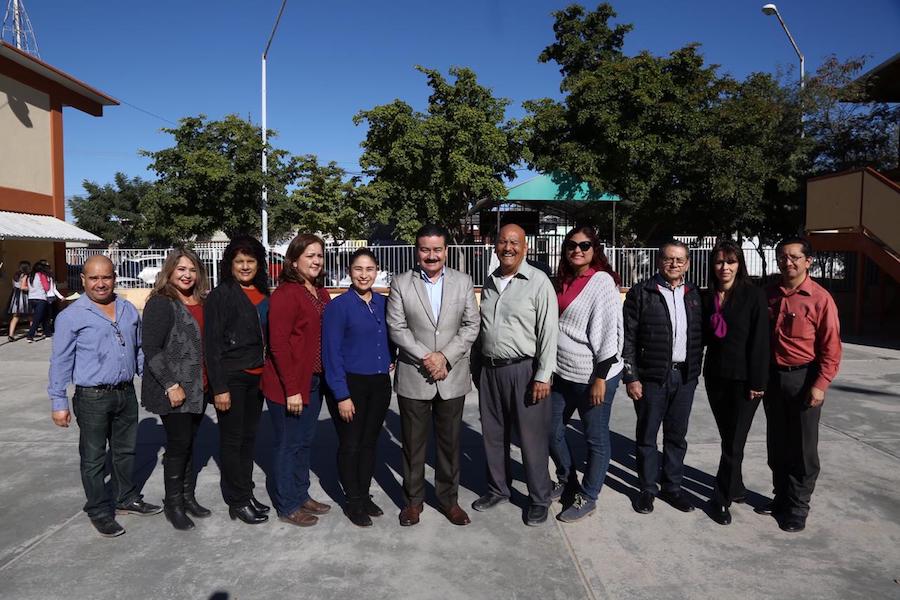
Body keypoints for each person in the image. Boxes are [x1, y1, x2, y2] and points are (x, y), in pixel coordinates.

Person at [48, 255, 161, 537]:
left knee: (125, 451)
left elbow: (138, 350)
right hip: (92, 398)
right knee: (94, 457)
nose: (101, 283)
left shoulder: (127, 309)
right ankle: (99, 510)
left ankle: (125, 498)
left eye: (106, 277)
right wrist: (59, 402)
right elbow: (60, 361)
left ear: (114, 278)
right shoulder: (71, 316)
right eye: (94, 278)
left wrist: (149, 382)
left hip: (125, 393)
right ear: (83, 280)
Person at [386, 224, 480, 527]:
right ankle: (413, 502)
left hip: (451, 376)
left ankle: (449, 501)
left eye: (437, 249)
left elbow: (471, 325)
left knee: (450, 445)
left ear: (446, 251)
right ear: (417, 251)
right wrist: (428, 357)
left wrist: (445, 357)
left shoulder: (463, 282)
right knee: (413, 446)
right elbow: (396, 327)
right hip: (415, 375)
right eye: (425, 249)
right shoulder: (401, 283)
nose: (431, 255)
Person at [473, 223, 558, 526]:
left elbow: (549, 331)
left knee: (532, 439)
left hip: (525, 370)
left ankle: (539, 498)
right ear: (495, 246)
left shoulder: (538, 282)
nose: (507, 248)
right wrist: (477, 369)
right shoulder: (491, 282)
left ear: (525, 247)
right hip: (490, 370)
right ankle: (498, 489)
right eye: (502, 242)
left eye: (514, 242)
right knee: (493, 434)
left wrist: (543, 375)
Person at [758, 235, 841, 533]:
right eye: (783, 256)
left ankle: (798, 507)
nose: (788, 262)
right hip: (773, 378)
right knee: (777, 443)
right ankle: (781, 497)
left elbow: (831, 347)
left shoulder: (820, 298)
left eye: (794, 257)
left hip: (804, 378)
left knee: (803, 448)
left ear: (808, 261)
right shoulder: (769, 294)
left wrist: (821, 384)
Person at [548, 226, 624, 523]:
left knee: (595, 438)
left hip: (594, 375)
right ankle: (567, 479)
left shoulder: (601, 281)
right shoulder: (563, 280)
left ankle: (588, 495)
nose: (577, 250)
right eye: (571, 245)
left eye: (584, 245)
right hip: (563, 372)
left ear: (595, 249)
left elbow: (609, 333)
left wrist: (600, 378)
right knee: (551, 429)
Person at [623, 240, 703, 515]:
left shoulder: (694, 295)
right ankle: (647, 489)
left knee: (676, 436)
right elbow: (628, 338)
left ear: (687, 264)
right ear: (659, 261)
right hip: (651, 378)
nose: (674, 264)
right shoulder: (642, 292)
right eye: (668, 258)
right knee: (647, 436)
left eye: (679, 260)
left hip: (685, 377)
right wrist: (631, 377)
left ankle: (673, 487)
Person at [260, 233, 332, 528]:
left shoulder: (320, 292)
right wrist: (292, 390)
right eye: (309, 255)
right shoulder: (286, 294)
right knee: (288, 444)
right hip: (288, 385)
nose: (316, 260)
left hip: (314, 381)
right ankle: (287, 503)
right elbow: (278, 345)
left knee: (304, 442)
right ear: (293, 261)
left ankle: (301, 494)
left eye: (319, 255)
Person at [141, 248, 212, 531]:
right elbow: (151, 348)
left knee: (190, 443)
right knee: (178, 445)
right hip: (175, 389)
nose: (187, 275)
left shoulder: (201, 301)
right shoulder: (161, 303)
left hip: (199, 387)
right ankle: (174, 504)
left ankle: (187, 496)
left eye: (192, 270)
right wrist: (171, 385)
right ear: (170, 270)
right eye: (181, 269)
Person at [323, 248, 393, 527]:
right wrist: (342, 395)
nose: (364, 275)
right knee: (351, 444)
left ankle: (364, 495)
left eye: (369, 269)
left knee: (369, 443)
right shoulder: (338, 307)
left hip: (379, 383)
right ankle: (352, 501)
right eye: (358, 269)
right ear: (349, 272)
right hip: (351, 383)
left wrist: (392, 357)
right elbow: (331, 354)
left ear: (377, 271)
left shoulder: (384, 303)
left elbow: (393, 334)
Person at [701, 239, 769, 526]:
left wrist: (758, 381)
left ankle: (720, 498)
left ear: (739, 265)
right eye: (719, 261)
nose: (724, 267)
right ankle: (737, 486)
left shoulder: (753, 295)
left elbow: (760, 340)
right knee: (728, 437)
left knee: (734, 441)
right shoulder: (707, 296)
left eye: (730, 261)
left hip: (745, 381)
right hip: (715, 377)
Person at [205, 235, 271, 525]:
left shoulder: (263, 293)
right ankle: (238, 501)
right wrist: (219, 387)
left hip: (258, 377)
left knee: (249, 439)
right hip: (232, 378)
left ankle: (247, 492)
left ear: (259, 264)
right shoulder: (221, 295)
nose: (245, 266)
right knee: (232, 441)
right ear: (230, 264)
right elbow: (211, 346)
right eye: (239, 261)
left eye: (250, 261)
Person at [26, 259, 64, 342]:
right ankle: (30, 335)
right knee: (38, 318)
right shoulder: (42, 275)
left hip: (31, 298)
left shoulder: (30, 276)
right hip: (41, 298)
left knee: (45, 316)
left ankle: (47, 333)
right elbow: (46, 287)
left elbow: (28, 287)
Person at [6, 260, 32, 341]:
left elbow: (15, 286)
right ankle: (32, 332)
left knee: (15, 316)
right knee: (31, 315)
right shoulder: (24, 275)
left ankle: (11, 334)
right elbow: (23, 287)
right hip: (23, 296)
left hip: (15, 296)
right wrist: (31, 288)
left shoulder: (15, 275)